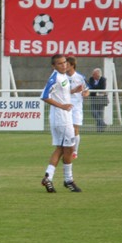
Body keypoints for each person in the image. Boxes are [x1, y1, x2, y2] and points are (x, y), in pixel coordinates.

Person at [40, 54, 82, 193]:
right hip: (61, 119)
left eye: (65, 62)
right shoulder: (55, 77)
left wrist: (73, 91)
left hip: (63, 118)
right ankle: (68, 180)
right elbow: (45, 96)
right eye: (60, 63)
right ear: (54, 66)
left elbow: (61, 93)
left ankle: (48, 177)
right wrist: (62, 106)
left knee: (61, 149)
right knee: (69, 149)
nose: (64, 65)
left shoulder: (63, 76)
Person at [66, 56, 89, 159]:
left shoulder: (80, 77)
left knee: (75, 129)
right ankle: (67, 149)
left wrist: (85, 94)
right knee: (67, 129)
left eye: (66, 64)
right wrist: (74, 91)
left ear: (72, 65)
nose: (64, 66)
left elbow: (86, 90)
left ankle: (75, 151)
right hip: (65, 105)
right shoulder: (62, 77)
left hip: (77, 106)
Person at [88, 68, 107, 132]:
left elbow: (102, 88)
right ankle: (102, 123)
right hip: (93, 98)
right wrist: (96, 90)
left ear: (98, 75)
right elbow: (90, 87)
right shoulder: (91, 79)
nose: (93, 75)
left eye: (94, 74)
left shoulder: (103, 80)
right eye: (93, 74)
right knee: (94, 112)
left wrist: (95, 89)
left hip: (101, 99)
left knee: (100, 113)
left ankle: (100, 129)